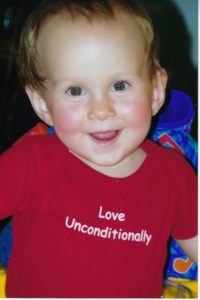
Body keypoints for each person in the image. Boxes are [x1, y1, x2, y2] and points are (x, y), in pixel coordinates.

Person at [0, 0, 197, 297]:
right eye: (76, 91)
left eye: (119, 86)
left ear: (156, 91)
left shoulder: (174, 174)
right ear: (43, 104)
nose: (101, 110)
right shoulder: (32, 163)